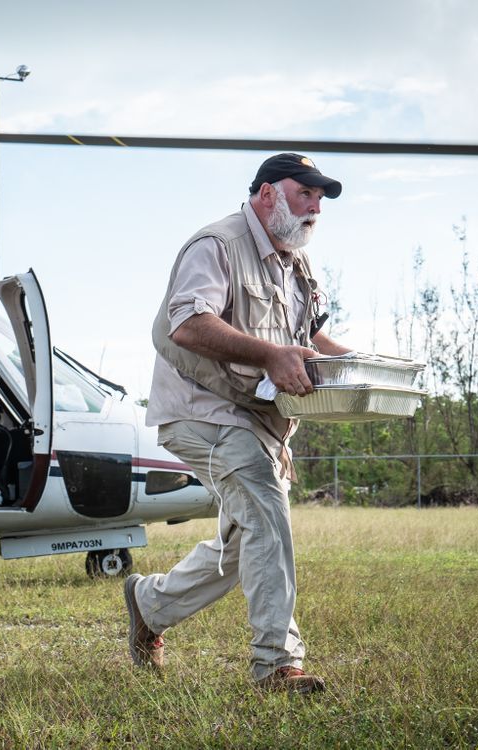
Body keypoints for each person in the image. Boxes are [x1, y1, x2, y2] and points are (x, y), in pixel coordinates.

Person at [125, 154, 352, 693]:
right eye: (306, 194)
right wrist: (271, 355)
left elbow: (310, 338)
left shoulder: (295, 263)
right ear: (268, 193)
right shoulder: (217, 245)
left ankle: (147, 604)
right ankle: (277, 662)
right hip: (200, 412)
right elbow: (187, 323)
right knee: (267, 514)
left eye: (321, 200)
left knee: (242, 542)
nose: (316, 207)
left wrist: (367, 369)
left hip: (258, 421)